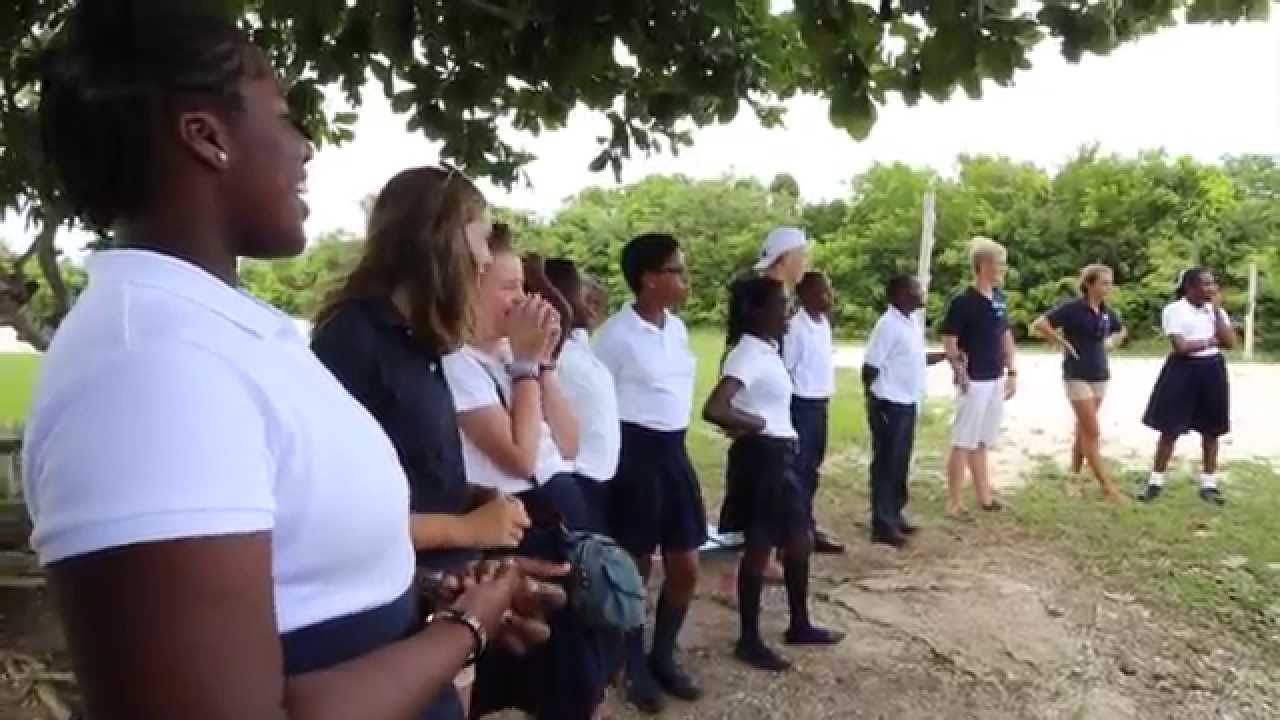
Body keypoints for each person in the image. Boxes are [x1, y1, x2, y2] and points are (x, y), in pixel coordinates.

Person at [21, 4, 561, 719]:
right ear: (206, 136)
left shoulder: (226, 339)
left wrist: (427, 596)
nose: (305, 148)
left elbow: (298, 572)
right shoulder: (148, 371)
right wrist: (466, 628)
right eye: (283, 117)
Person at [310, 166, 536, 717]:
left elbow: (405, 468)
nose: (483, 259)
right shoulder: (353, 341)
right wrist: (467, 528)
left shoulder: (420, 342)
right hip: (386, 612)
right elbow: (332, 512)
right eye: (479, 239)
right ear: (440, 239)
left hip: (440, 591)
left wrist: (473, 497)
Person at [443, 225, 610, 720]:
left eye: (523, 286)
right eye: (508, 287)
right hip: (510, 520)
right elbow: (520, 457)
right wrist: (525, 366)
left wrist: (544, 363)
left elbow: (569, 442)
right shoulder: (457, 365)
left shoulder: (508, 355)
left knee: (577, 671)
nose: (521, 299)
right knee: (522, 666)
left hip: (556, 507)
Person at [703, 275, 846, 672]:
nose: (788, 312)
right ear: (757, 311)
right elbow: (715, 408)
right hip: (763, 458)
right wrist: (757, 424)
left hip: (779, 455)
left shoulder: (765, 350)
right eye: (781, 305)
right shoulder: (747, 353)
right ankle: (749, 639)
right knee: (760, 545)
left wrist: (757, 423)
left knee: (798, 541)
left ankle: (799, 623)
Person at [593, 233, 705, 714]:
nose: (685, 278)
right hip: (634, 456)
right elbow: (596, 402)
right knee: (634, 567)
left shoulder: (676, 329)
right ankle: (631, 662)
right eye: (677, 270)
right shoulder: (615, 337)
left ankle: (663, 654)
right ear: (649, 279)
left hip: (674, 452)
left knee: (686, 564)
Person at [862, 275, 947, 547]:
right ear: (900, 294)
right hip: (889, 403)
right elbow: (870, 367)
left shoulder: (910, 323)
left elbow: (914, 359)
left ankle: (895, 514)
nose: (922, 293)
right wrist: (875, 402)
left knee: (900, 462)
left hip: (906, 402)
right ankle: (882, 524)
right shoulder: (887, 325)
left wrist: (945, 356)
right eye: (915, 289)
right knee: (886, 464)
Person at [1139, 267, 1236, 505]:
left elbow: (1230, 342)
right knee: (1170, 428)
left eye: (1213, 283)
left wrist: (1216, 313)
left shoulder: (1215, 311)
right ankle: (1155, 481)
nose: (1211, 289)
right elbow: (1181, 347)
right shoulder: (1175, 310)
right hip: (1183, 370)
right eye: (1205, 284)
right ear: (1190, 287)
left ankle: (1209, 484)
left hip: (1212, 369)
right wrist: (1212, 340)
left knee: (1212, 429)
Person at [1031, 264, 1127, 502]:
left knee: (1083, 429)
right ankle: (1107, 487)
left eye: (1110, 283)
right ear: (1090, 284)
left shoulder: (1106, 311)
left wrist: (1113, 341)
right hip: (1077, 374)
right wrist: (1061, 341)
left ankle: (1073, 478)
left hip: (1100, 374)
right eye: (1104, 283)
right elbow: (1040, 323)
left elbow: (1121, 329)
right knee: (1092, 431)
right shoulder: (1073, 308)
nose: (1109, 287)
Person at [939, 237, 1017, 516]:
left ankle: (985, 497)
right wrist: (959, 371)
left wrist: (1012, 371)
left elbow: (1005, 335)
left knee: (983, 440)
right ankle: (954, 501)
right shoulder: (963, 301)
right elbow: (950, 341)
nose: (1003, 269)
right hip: (974, 379)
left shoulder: (999, 299)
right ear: (983, 265)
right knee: (963, 440)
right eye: (1000, 264)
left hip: (995, 377)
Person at [544, 258, 622, 533]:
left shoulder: (579, 344)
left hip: (599, 477)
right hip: (577, 475)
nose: (592, 306)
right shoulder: (554, 352)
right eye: (584, 296)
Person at [782, 271, 846, 555]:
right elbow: (786, 369)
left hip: (820, 403)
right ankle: (791, 533)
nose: (829, 297)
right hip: (801, 404)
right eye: (822, 292)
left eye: (829, 290)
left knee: (811, 469)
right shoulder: (796, 328)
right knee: (797, 469)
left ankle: (806, 525)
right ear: (804, 295)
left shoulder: (823, 325)